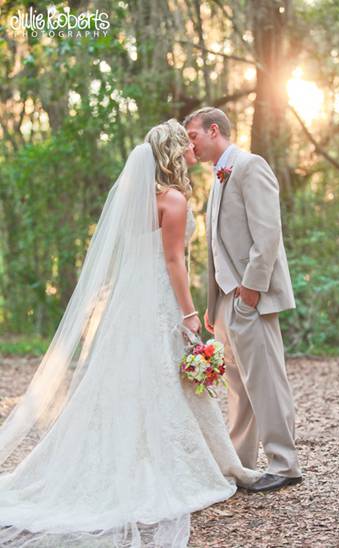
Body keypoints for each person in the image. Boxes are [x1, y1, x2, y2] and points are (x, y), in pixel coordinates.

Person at [0, 120, 259, 547]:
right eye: (186, 145)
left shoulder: (137, 199)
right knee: (164, 379)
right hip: (157, 300)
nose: (192, 149)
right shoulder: (172, 200)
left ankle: (174, 456)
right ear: (173, 154)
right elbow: (174, 263)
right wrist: (190, 314)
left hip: (128, 302)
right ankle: (177, 466)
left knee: (131, 380)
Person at [183, 107, 301, 493]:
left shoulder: (251, 167)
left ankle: (284, 464)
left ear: (213, 130)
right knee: (238, 384)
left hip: (251, 296)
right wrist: (213, 301)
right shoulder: (218, 177)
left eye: (193, 137)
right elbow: (218, 246)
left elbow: (267, 234)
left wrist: (250, 291)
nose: (191, 145)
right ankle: (242, 463)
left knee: (265, 379)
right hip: (225, 299)